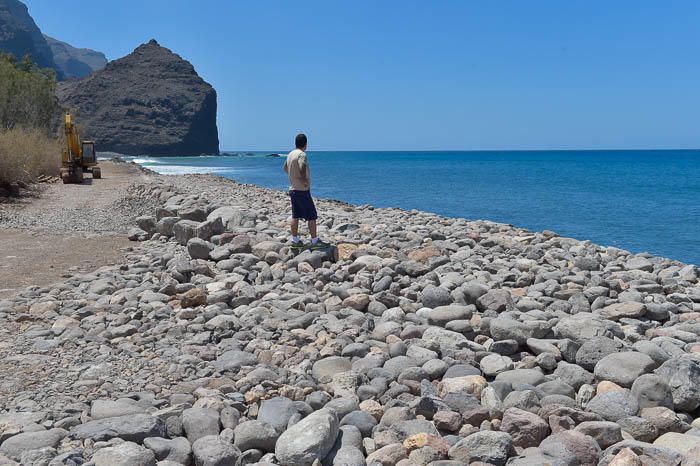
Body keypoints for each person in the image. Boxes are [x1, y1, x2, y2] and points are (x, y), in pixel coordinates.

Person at [283, 133, 329, 251]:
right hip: (302, 190)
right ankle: (314, 241)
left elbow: (285, 168)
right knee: (312, 215)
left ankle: (295, 240)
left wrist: (292, 176)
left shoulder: (290, 154)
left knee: (295, 215)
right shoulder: (302, 154)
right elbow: (302, 165)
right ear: (306, 144)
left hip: (293, 189)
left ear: (295, 143)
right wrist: (303, 180)